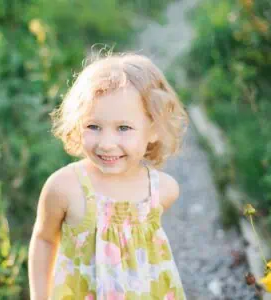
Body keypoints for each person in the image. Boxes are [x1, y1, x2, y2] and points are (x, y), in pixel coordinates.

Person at [28, 52, 188, 300]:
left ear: (154, 129)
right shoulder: (65, 188)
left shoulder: (162, 191)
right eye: (93, 126)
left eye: (123, 128)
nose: (106, 143)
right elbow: (45, 240)